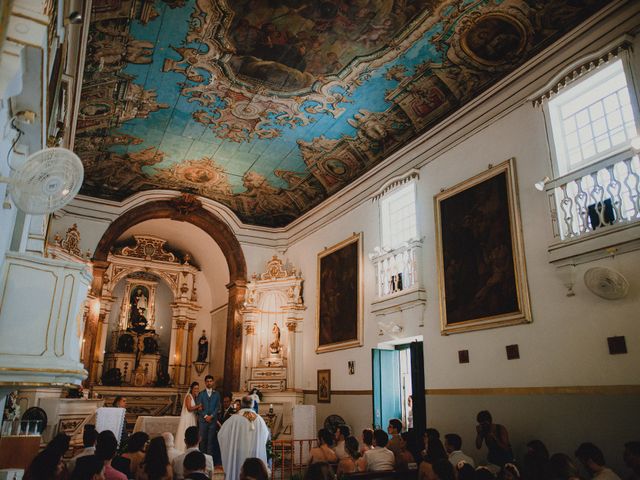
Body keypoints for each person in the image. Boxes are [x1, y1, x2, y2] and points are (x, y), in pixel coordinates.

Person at [218, 395, 270, 480]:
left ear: (242, 404)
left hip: (238, 454)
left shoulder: (234, 418)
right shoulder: (260, 419)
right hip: (255, 453)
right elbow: (265, 436)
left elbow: (222, 435)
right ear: (252, 405)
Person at [196, 375, 221, 463]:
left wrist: (212, 416)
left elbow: (218, 407)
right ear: (205, 382)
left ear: (213, 382)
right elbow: (199, 408)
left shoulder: (217, 394)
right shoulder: (201, 394)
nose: (209, 383)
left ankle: (209, 462)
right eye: (207, 381)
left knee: (211, 441)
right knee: (202, 441)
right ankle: (201, 461)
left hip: (213, 421)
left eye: (211, 381)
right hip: (203, 421)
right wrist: (206, 416)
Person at [176, 382, 202, 452]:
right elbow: (189, 408)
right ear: (192, 389)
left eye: (197, 388)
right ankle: (183, 450)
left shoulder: (196, 397)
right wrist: (198, 406)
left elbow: (195, 409)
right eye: (195, 388)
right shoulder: (189, 396)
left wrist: (199, 408)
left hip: (193, 417)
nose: (197, 390)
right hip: (188, 417)